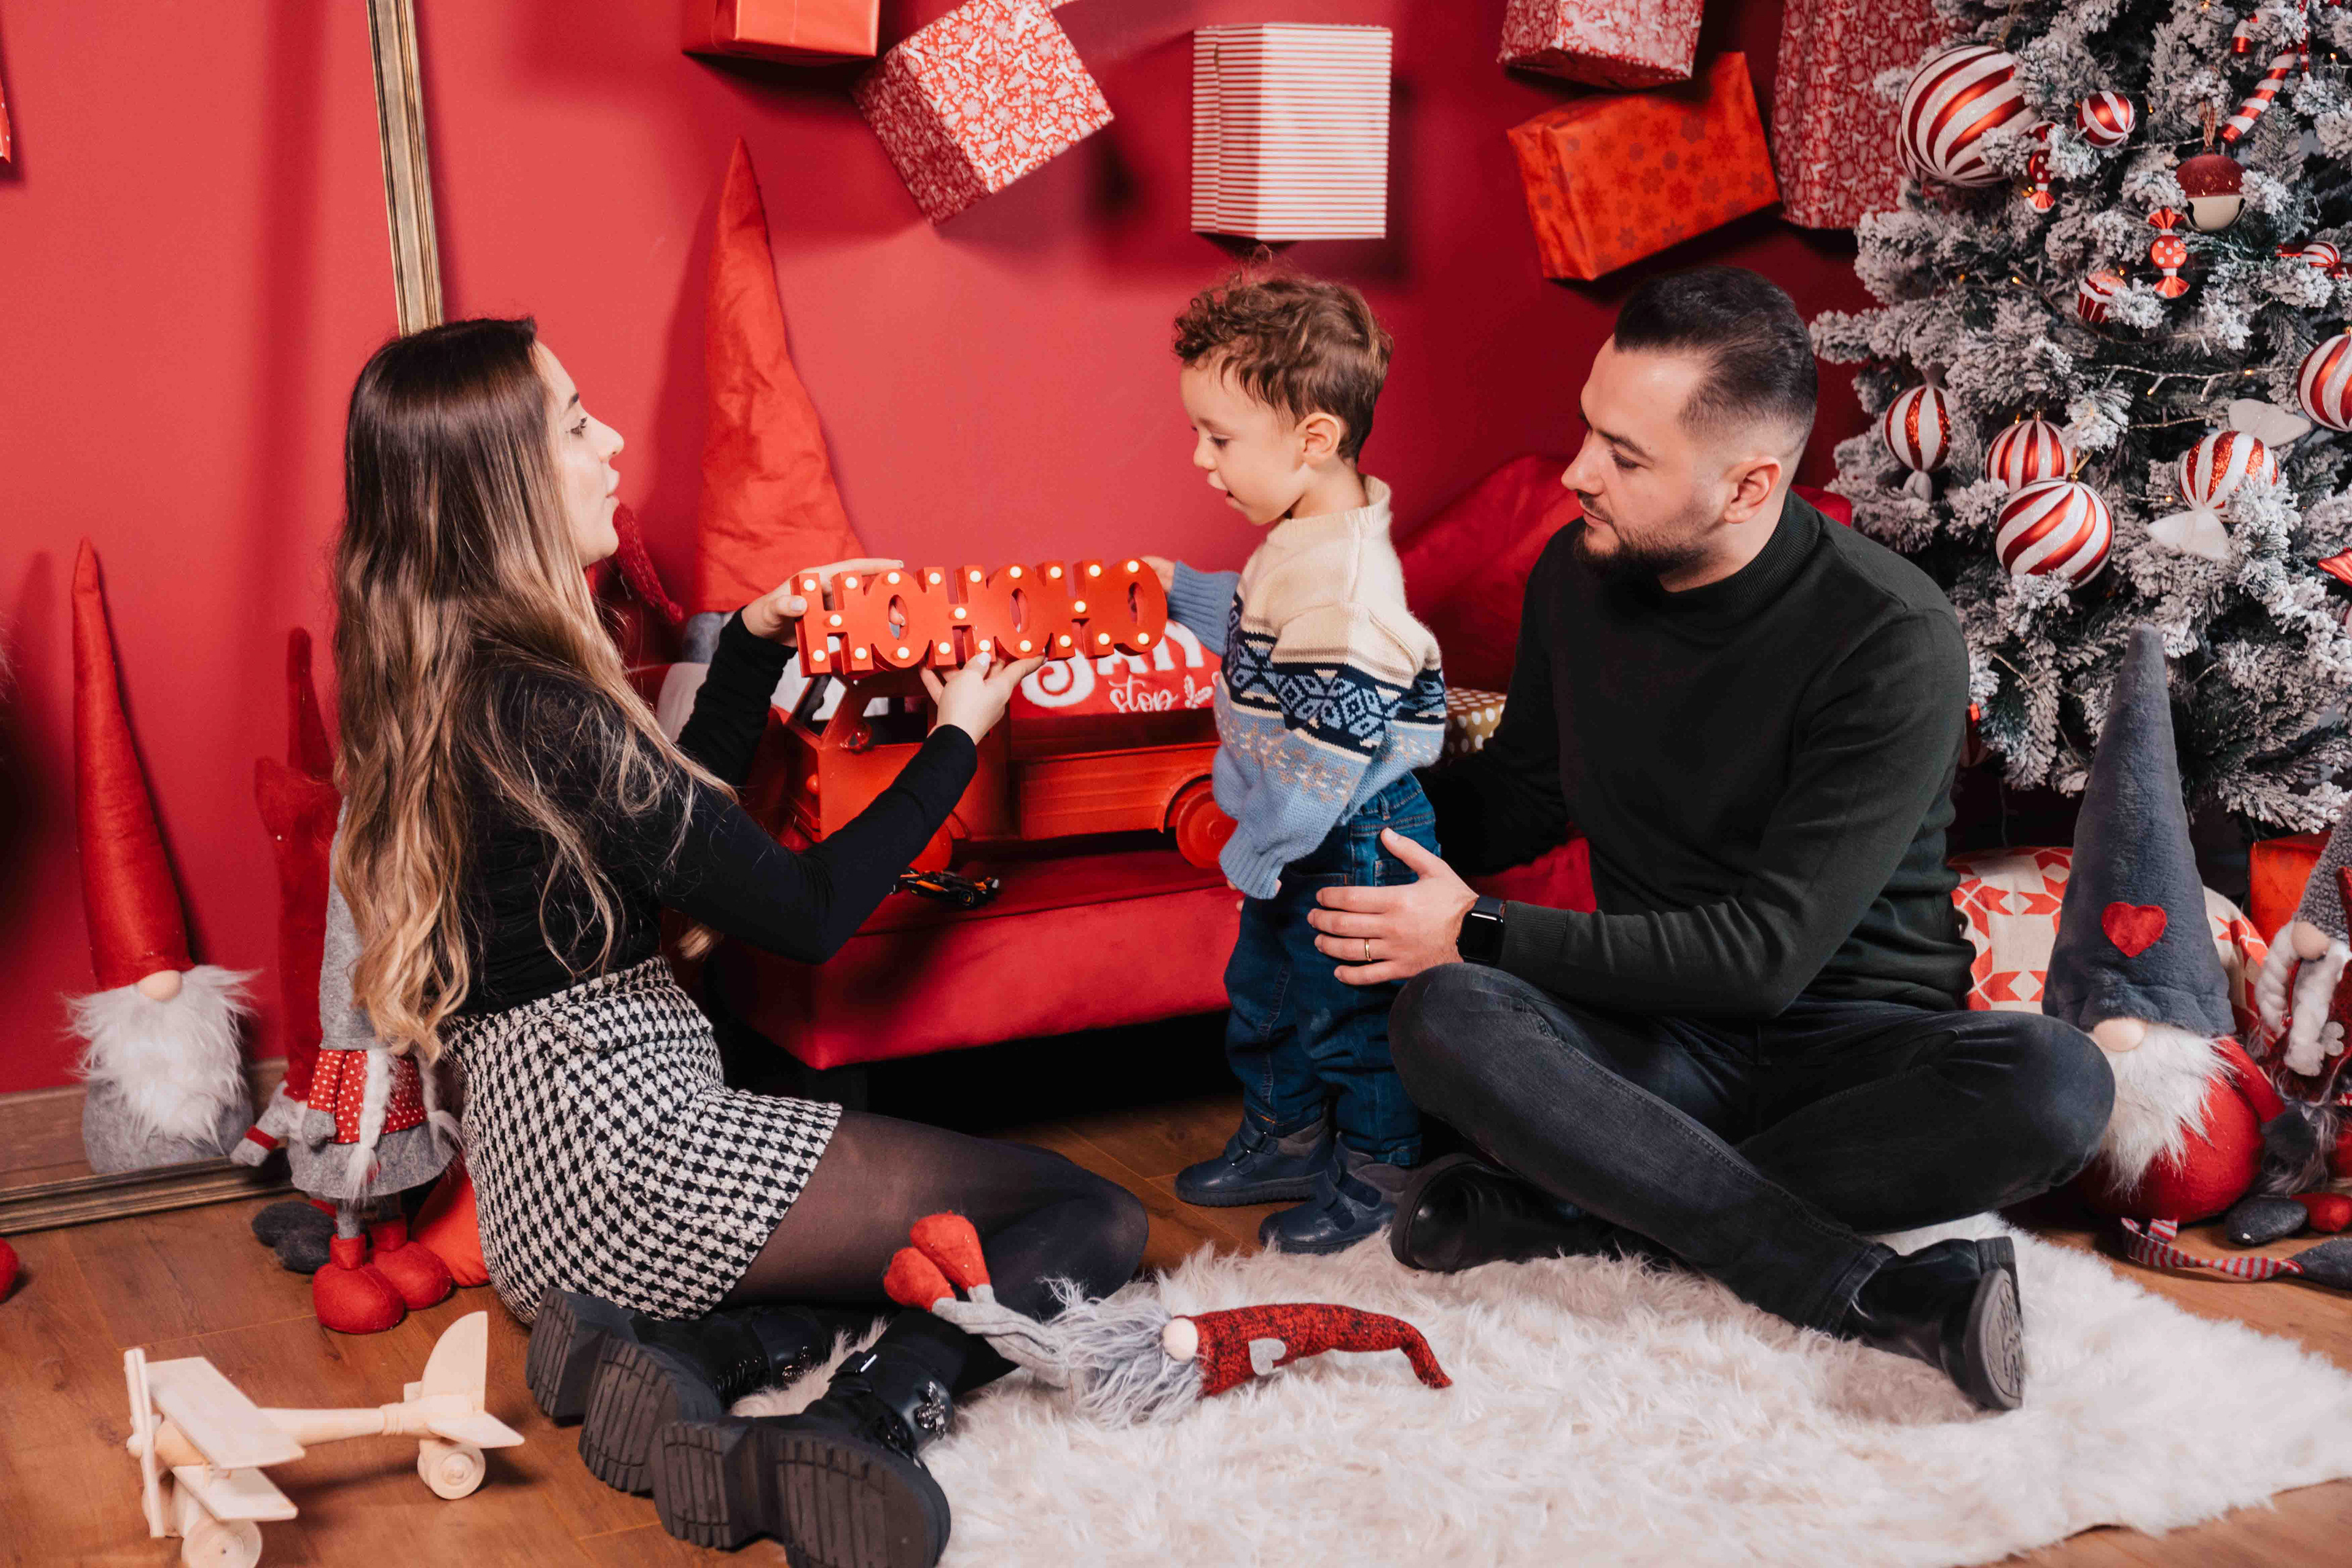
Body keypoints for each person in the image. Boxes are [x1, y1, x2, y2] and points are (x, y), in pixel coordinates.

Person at [332, 317, 1147, 1563]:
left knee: (887, 1255)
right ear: (504, 482)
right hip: (639, 1160)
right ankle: (872, 1417)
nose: (612, 444)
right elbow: (807, 914)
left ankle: (691, 1354)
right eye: (575, 424)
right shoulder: (550, 705)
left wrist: (755, 644)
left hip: (541, 1190)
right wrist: (957, 741)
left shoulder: (467, 686)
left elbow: (671, 829)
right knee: (1089, 1216)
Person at [1302, 267, 2114, 1411]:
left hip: (1856, 1057)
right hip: (1657, 1044)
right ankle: (1879, 1292)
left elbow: (1765, 955)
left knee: (2057, 1084)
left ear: (1749, 485)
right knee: (1446, 1014)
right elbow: (1522, 795)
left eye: (1626, 458)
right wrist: (1339, 789)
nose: (1579, 473)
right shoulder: (1578, 577)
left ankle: (1581, 1209)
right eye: (1590, 429)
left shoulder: (1889, 635)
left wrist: (1477, 927)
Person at [1144, 273, 1448, 1253]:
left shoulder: (1345, 592)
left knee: (1347, 1016)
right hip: (1299, 823)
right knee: (1268, 996)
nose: (1201, 460)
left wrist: (1258, 848)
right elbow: (1261, 622)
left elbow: (1325, 758)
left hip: (1343, 830)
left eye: (1220, 438)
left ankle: (1379, 1175)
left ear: (1313, 438)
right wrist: (1180, 592)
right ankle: (1286, 1139)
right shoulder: (1306, 538)